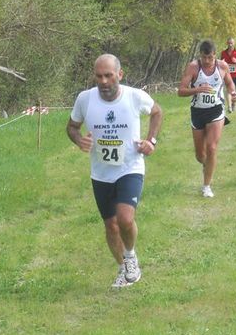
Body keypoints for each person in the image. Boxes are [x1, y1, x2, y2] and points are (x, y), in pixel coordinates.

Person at [66, 54, 163, 288]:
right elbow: (71, 127)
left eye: (109, 75)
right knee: (110, 225)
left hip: (130, 167)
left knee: (125, 218)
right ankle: (123, 268)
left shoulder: (134, 96)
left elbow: (157, 112)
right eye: (99, 76)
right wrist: (79, 140)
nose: (104, 81)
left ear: (119, 74)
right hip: (100, 172)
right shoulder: (85, 99)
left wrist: (151, 141)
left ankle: (130, 257)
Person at [177, 39, 236, 198]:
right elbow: (181, 91)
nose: (207, 61)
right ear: (200, 56)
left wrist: (233, 93)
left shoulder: (222, 66)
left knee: (211, 148)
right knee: (200, 155)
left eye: (210, 58)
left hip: (216, 111)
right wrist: (197, 90)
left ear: (215, 55)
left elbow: (230, 84)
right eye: (204, 58)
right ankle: (207, 164)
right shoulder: (193, 67)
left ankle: (206, 186)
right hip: (197, 112)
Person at [220, 37, 236, 112]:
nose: (230, 45)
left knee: (234, 91)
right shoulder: (223, 53)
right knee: (228, 91)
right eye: (229, 43)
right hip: (227, 75)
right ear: (227, 44)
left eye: (231, 43)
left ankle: (233, 104)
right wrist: (222, 63)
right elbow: (221, 63)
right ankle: (229, 107)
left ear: (234, 43)